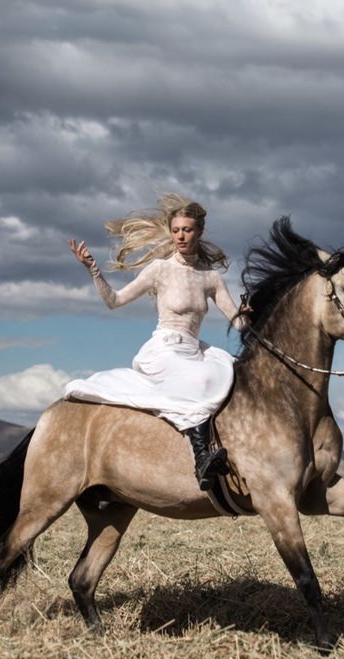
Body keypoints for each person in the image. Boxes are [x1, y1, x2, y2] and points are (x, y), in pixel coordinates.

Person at [65, 194, 246, 490]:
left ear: (199, 231)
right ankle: (202, 457)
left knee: (233, 371)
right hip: (164, 349)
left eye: (187, 230)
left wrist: (253, 311)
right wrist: (92, 269)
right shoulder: (160, 269)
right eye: (176, 230)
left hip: (193, 349)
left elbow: (238, 322)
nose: (180, 236)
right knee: (201, 380)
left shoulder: (211, 278)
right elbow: (115, 301)